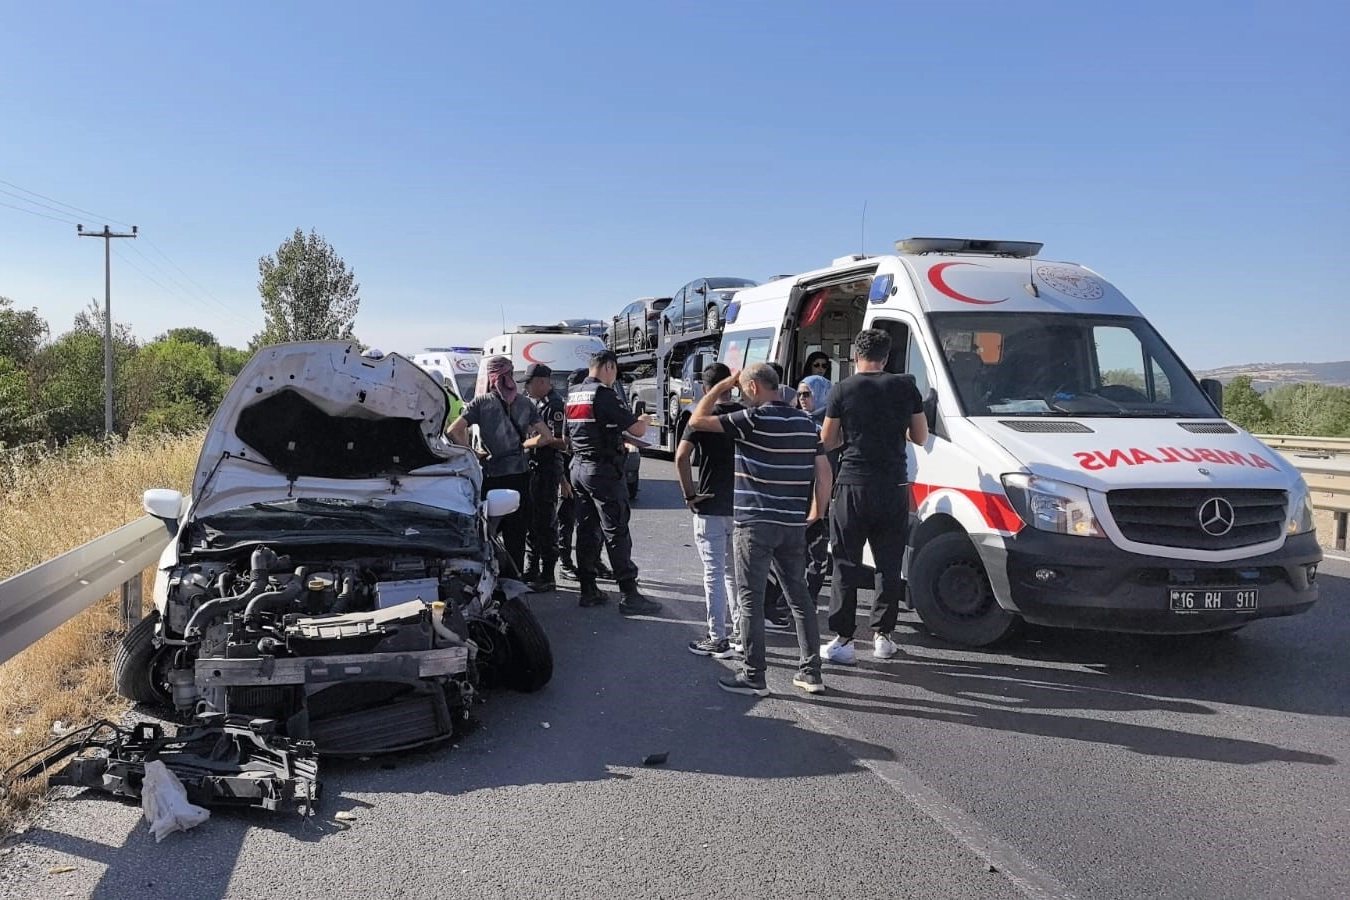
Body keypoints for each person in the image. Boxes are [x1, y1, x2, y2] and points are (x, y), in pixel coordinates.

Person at [687, 362, 832, 697]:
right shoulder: (806, 423)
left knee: (751, 599)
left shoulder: (751, 419)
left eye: (742, 389)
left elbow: (696, 420)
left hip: (754, 524)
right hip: (792, 523)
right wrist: (817, 512)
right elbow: (824, 472)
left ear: (753, 387)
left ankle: (754, 675)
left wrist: (722, 385)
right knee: (799, 599)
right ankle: (811, 673)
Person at [820, 329, 928, 663]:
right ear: (887, 357)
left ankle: (843, 640)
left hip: (852, 484)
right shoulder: (906, 388)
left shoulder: (842, 389)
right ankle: (883, 636)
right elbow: (920, 437)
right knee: (888, 564)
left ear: (856, 355)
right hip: (893, 485)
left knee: (845, 563)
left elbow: (828, 440)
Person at [565, 350, 661, 615]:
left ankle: (588, 590)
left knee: (586, 530)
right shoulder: (604, 394)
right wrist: (644, 420)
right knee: (616, 530)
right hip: (602, 472)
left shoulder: (574, 394)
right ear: (609, 367)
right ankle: (630, 595)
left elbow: (568, 437)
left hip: (578, 468)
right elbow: (637, 429)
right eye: (615, 371)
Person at [447, 355, 553, 577]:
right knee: (517, 531)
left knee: (488, 531)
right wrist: (522, 445)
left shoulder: (481, 403)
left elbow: (453, 431)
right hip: (520, 475)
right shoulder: (525, 403)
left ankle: (489, 576)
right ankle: (514, 578)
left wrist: (473, 454)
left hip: (492, 475)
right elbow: (546, 436)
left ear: (491, 376)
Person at [675, 362, 742, 659]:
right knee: (735, 574)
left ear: (704, 388)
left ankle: (717, 637)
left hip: (710, 502)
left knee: (713, 573)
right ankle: (741, 634)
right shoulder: (744, 415)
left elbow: (681, 457)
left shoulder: (700, 417)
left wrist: (690, 495)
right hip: (741, 504)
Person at [763, 373, 836, 618]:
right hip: (794, 497)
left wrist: (819, 508)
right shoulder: (796, 421)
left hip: (818, 498)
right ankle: (781, 602)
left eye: (807, 394)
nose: (802, 399)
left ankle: (808, 602)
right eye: (799, 394)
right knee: (788, 554)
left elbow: (826, 470)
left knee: (816, 555)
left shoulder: (831, 426)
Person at [522, 363, 568, 593]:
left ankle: (548, 574)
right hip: (534, 468)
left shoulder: (555, 405)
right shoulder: (537, 403)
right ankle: (531, 569)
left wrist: (531, 443)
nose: (526, 389)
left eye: (529, 384)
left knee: (545, 522)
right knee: (532, 522)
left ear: (541, 382)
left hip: (547, 469)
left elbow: (562, 441)